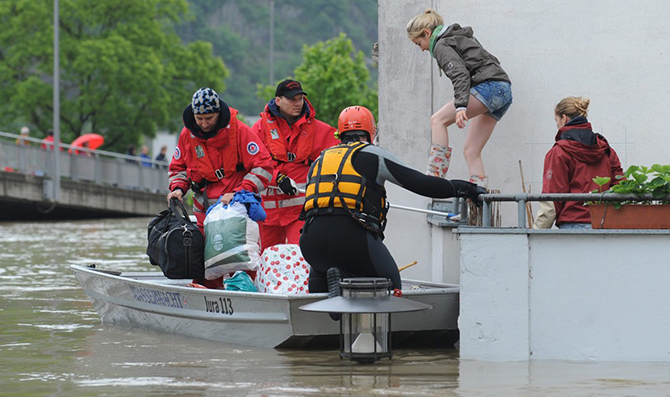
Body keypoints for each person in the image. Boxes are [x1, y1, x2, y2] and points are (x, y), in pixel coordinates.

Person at [299, 106, 485, 293]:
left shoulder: (319, 161)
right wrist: (467, 189)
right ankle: (346, 277)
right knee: (391, 286)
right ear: (371, 131)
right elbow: (422, 184)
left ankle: (336, 285)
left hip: (312, 242)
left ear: (340, 133)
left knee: (319, 302)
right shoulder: (372, 153)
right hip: (351, 237)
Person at [167, 87, 274, 288]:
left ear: (218, 113)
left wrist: (241, 191)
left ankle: (248, 293)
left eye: (209, 118)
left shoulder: (240, 131)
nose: (204, 123)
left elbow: (264, 165)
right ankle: (205, 294)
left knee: (242, 257)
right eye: (199, 119)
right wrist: (178, 188)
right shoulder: (186, 135)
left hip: (237, 209)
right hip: (204, 210)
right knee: (205, 258)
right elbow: (178, 167)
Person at [406, 9, 513, 186]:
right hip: (504, 89)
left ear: (427, 33)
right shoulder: (458, 36)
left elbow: (460, 75)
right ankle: (479, 197)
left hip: (490, 87)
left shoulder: (441, 45)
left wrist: (461, 106)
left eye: (419, 43)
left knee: (438, 120)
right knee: (471, 151)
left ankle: (434, 178)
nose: (422, 49)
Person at [252, 79, 338, 250]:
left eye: (300, 99)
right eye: (292, 99)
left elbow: (342, 150)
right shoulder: (260, 128)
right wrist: (277, 178)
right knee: (265, 260)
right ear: (278, 100)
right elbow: (253, 162)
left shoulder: (318, 129)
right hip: (267, 214)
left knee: (300, 258)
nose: (297, 103)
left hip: (299, 212)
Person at [534, 97, 623, 229]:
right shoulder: (606, 150)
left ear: (564, 118)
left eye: (556, 120)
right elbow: (621, 186)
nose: (557, 125)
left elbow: (552, 200)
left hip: (572, 226)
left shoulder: (559, 152)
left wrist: (535, 234)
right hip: (605, 225)